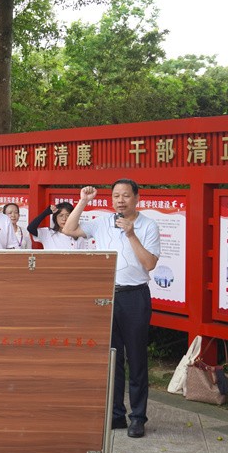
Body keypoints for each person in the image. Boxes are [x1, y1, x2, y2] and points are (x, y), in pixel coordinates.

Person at [63, 180, 160, 439]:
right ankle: (116, 414)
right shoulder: (103, 222)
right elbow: (69, 229)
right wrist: (83, 201)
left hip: (135, 296)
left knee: (136, 358)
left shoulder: (148, 225)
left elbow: (150, 264)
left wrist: (131, 234)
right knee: (112, 357)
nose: (120, 200)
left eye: (125, 196)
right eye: (116, 196)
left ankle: (137, 417)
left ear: (136, 198)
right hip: (107, 296)